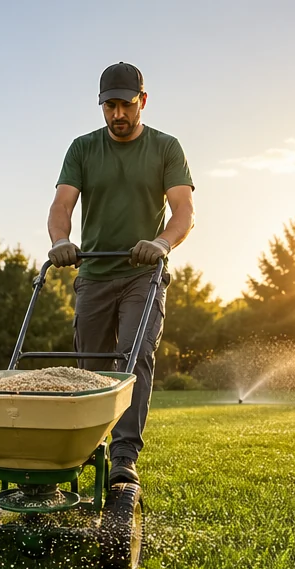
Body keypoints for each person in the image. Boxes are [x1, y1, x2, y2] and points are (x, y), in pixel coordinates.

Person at [47, 62, 194, 487]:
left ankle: (124, 458)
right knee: (87, 368)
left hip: (141, 274)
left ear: (142, 102)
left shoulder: (166, 148)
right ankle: (88, 448)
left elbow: (184, 210)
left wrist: (162, 243)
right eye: (109, 106)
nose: (117, 115)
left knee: (133, 355)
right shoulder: (82, 149)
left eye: (125, 105)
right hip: (93, 272)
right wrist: (60, 242)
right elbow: (62, 207)